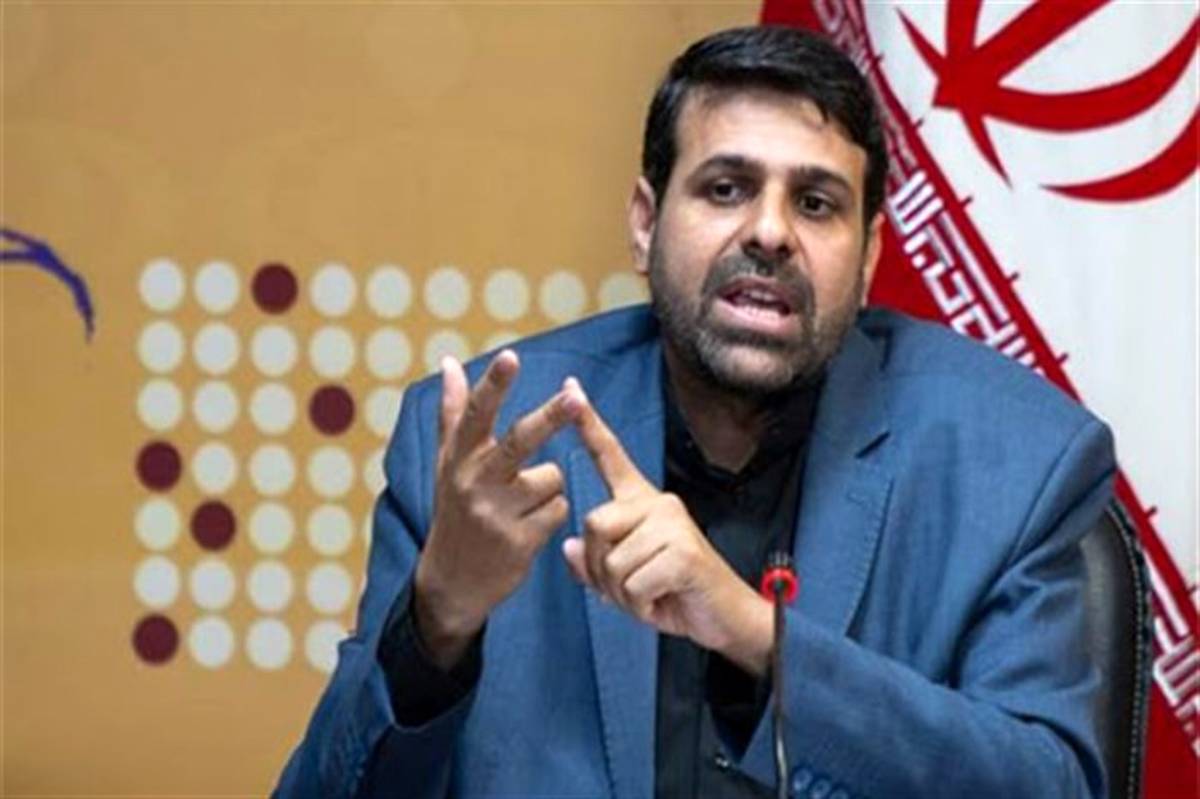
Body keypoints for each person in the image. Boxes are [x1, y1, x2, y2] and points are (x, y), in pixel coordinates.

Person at [275, 26, 1115, 799]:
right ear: (646, 225)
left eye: (816, 203)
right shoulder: (487, 449)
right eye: (725, 188)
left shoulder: (1019, 464)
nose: (769, 232)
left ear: (869, 258)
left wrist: (755, 634)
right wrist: (437, 619)